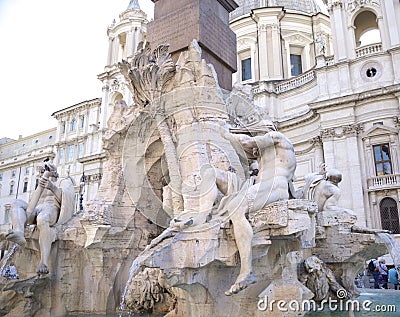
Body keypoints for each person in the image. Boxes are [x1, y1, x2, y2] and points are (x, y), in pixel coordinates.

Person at [200, 126, 296, 296]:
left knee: (237, 210)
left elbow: (246, 142)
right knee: (229, 202)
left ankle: (246, 271)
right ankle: (203, 214)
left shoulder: (277, 137)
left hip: (275, 186)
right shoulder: (264, 155)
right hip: (259, 187)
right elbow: (247, 150)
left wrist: (223, 133)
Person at [0, 159, 74, 275]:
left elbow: (68, 199)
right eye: (42, 171)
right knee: (15, 203)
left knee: (42, 219)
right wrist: (40, 187)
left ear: (54, 172)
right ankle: (19, 231)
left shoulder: (63, 181)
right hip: (38, 209)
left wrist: (52, 187)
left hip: (52, 209)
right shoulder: (40, 184)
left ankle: (43, 262)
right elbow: (32, 205)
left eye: (45, 170)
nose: (43, 173)